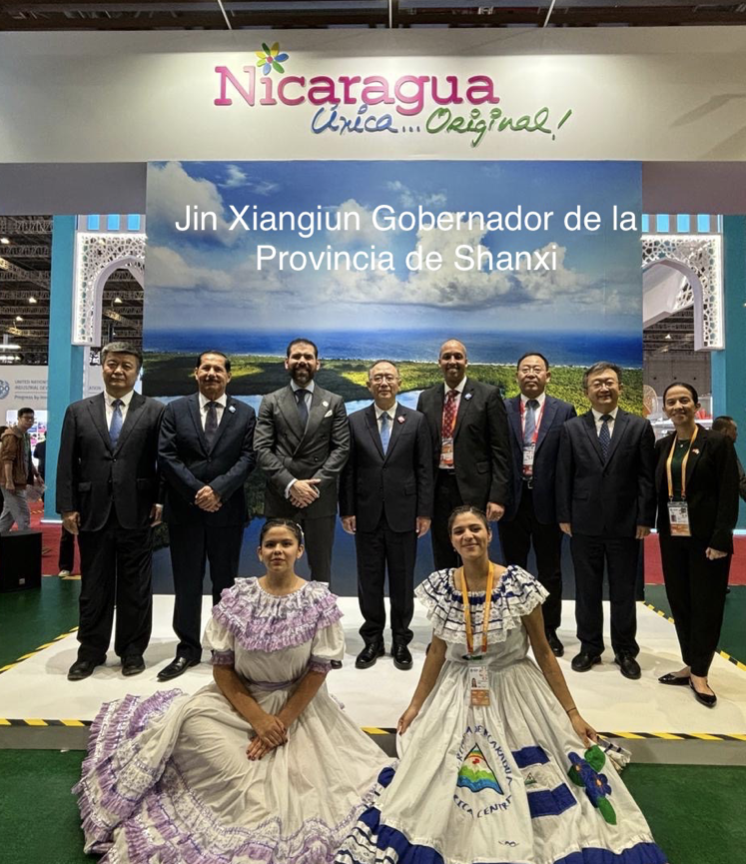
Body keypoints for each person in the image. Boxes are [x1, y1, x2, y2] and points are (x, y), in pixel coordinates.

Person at [334, 506, 667, 864]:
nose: (468, 536)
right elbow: (437, 652)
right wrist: (416, 705)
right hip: (458, 689)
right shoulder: (444, 587)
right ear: (452, 541)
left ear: (489, 534)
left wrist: (572, 713)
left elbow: (543, 652)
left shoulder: (517, 585)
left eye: (475, 528)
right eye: (459, 531)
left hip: (514, 688)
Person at [75, 519, 390, 864]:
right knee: (189, 723)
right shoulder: (238, 598)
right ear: (259, 553)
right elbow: (222, 668)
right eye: (270, 545)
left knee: (308, 785)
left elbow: (318, 671)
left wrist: (278, 724)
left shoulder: (319, 602)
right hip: (238, 701)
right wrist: (258, 719)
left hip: (298, 708)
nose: (278, 551)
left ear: (300, 551)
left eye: (286, 544)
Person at [56, 343, 164, 680]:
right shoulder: (78, 411)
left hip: (138, 511)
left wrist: (160, 501)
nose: (118, 371)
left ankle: (132, 651)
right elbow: (66, 462)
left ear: (137, 371)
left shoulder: (154, 411)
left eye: (126, 366)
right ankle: (90, 652)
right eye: (112, 364)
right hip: (92, 511)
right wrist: (67, 507)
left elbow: (163, 462)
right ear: (102, 367)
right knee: (94, 586)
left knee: (136, 587)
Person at [157, 350, 256, 682]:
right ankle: (187, 649)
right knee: (186, 582)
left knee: (225, 584)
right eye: (206, 368)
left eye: (218, 369)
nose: (211, 373)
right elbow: (166, 456)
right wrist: (197, 491)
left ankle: (224, 648)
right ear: (195, 373)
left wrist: (217, 491)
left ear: (229, 376)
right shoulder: (175, 410)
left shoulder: (245, 413)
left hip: (227, 511)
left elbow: (248, 458)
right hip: (185, 511)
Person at [556, 362, 655, 680]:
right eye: (597, 383)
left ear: (620, 388)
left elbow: (646, 478)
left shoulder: (638, 427)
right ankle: (590, 647)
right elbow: (564, 476)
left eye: (609, 382)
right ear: (587, 391)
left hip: (626, 524)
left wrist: (645, 517)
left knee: (624, 590)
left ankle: (625, 650)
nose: (603, 388)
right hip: (583, 523)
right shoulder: (572, 429)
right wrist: (564, 515)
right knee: (587, 589)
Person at [339, 360, 433, 671]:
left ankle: (401, 639)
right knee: (369, 580)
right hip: (366, 513)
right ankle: (373, 639)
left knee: (402, 580)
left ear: (399, 382)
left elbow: (424, 469)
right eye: (377, 377)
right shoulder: (355, 421)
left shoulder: (416, 420)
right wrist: (347, 509)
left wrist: (424, 512)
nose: (383, 382)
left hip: (404, 514)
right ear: (368, 384)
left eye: (389, 377)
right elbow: (348, 470)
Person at [655, 384, 739, 707]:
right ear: (665, 408)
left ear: (695, 405)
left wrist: (721, 538)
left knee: (707, 604)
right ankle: (690, 663)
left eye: (684, 400)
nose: (678, 406)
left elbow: (728, 493)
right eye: (671, 402)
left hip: (707, 541)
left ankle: (701, 672)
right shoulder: (662, 446)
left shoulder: (717, 443)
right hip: (672, 537)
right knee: (680, 601)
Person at [499, 352, 576, 657]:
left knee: (550, 571)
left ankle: (548, 629)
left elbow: (568, 462)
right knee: (512, 571)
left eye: (537, 369)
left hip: (548, 503)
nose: (531, 373)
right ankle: (514, 628)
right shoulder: (502, 408)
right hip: (512, 503)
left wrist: (565, 509)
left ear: (548, 376)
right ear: (516, 375)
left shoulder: (564, 410)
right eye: (525, 369)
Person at [254, 338, 349, 584]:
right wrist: (291, 484)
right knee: (278, 567)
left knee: (321, 568)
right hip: (281, 496)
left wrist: (312, 488)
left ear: (318, 363)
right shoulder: (270, 401)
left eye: (308, 357)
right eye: (296, 356)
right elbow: (262, 449)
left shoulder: (334, 401)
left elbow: (341, 449)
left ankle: (321, 610)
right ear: (286, 363)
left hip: (320, 497)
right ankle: (279, 609)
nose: (302, 361)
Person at [416, 339, 511, 570]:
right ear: (439, 362)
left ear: (466, 362)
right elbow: (420, 450)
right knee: (442, 551)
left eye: (457, 356)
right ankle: (449, 593)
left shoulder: (487, 395)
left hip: (475, 489)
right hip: (438, 488)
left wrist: (497, 496)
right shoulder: (426, 398)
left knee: (473, 550)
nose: (452, 361)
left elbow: (501, 450)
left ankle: (476, 593)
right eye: (447, 357)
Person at [0, 407, 41, 532]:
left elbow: (27, 458)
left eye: (32, 418)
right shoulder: (11, 436)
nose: (30, 421)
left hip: (20, 480)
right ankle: (27, 540)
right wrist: (9, 481)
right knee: (23, 514)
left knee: (8, 516)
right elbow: (7, 460)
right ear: (18, 418)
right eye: (26, 418)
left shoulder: (25, 436)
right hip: (12, 482)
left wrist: (37, 474)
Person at [711, 415, 746, 502]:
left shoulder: (703, 448)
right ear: (725, 431)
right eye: (734, 429)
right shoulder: (727, 449)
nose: (736, 433)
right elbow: (740, 480)